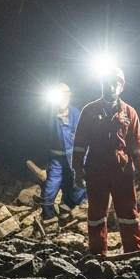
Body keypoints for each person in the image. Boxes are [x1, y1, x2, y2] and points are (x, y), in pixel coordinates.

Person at [73, 67, 140, 255]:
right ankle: (98, 253)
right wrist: (78, 169)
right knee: (96, 213)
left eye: (116, 83)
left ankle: (134, 250)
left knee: (128, 211)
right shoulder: (89, 110)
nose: (112, 87)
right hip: (96, 167)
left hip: (121, 168)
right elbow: (80, 143)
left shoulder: (129, 113)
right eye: (108, 82)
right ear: (101, 84)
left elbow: (137, 144)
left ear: (121, 87)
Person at [40, 83, 87, 223]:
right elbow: (42, 137)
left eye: (65, 94)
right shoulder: (49, 115)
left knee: (77, 182)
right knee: (52, 182)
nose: (63, 98)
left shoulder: (77, 114)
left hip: (75, 155)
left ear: (69, 95)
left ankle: (81, 211)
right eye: (59, 95)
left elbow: (85, 138)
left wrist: (85, 159)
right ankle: (47, 214)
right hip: (57, 157)